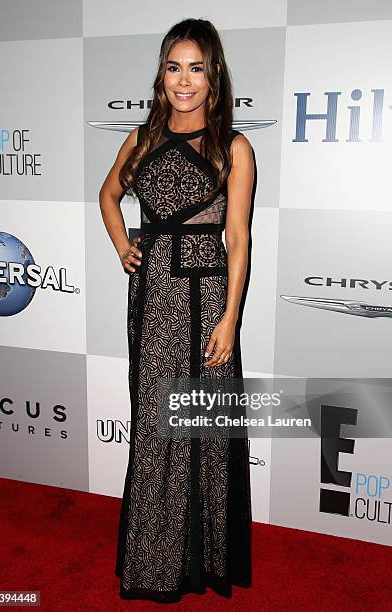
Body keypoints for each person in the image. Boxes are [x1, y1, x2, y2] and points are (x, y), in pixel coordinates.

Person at [99, 17, 254, 604]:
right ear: (161, 74)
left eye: (195, 68)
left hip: (207, 295)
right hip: (154, 293)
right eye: (173, 67)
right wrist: (122, 244)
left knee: (205, 432)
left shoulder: (234, 147)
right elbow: (108, 194)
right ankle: (157, 559)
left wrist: (230, 318)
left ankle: (205, 560)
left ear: (213, 76)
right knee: (156, 426)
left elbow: (236, 238)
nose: (183, 81)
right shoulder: (140, 139)